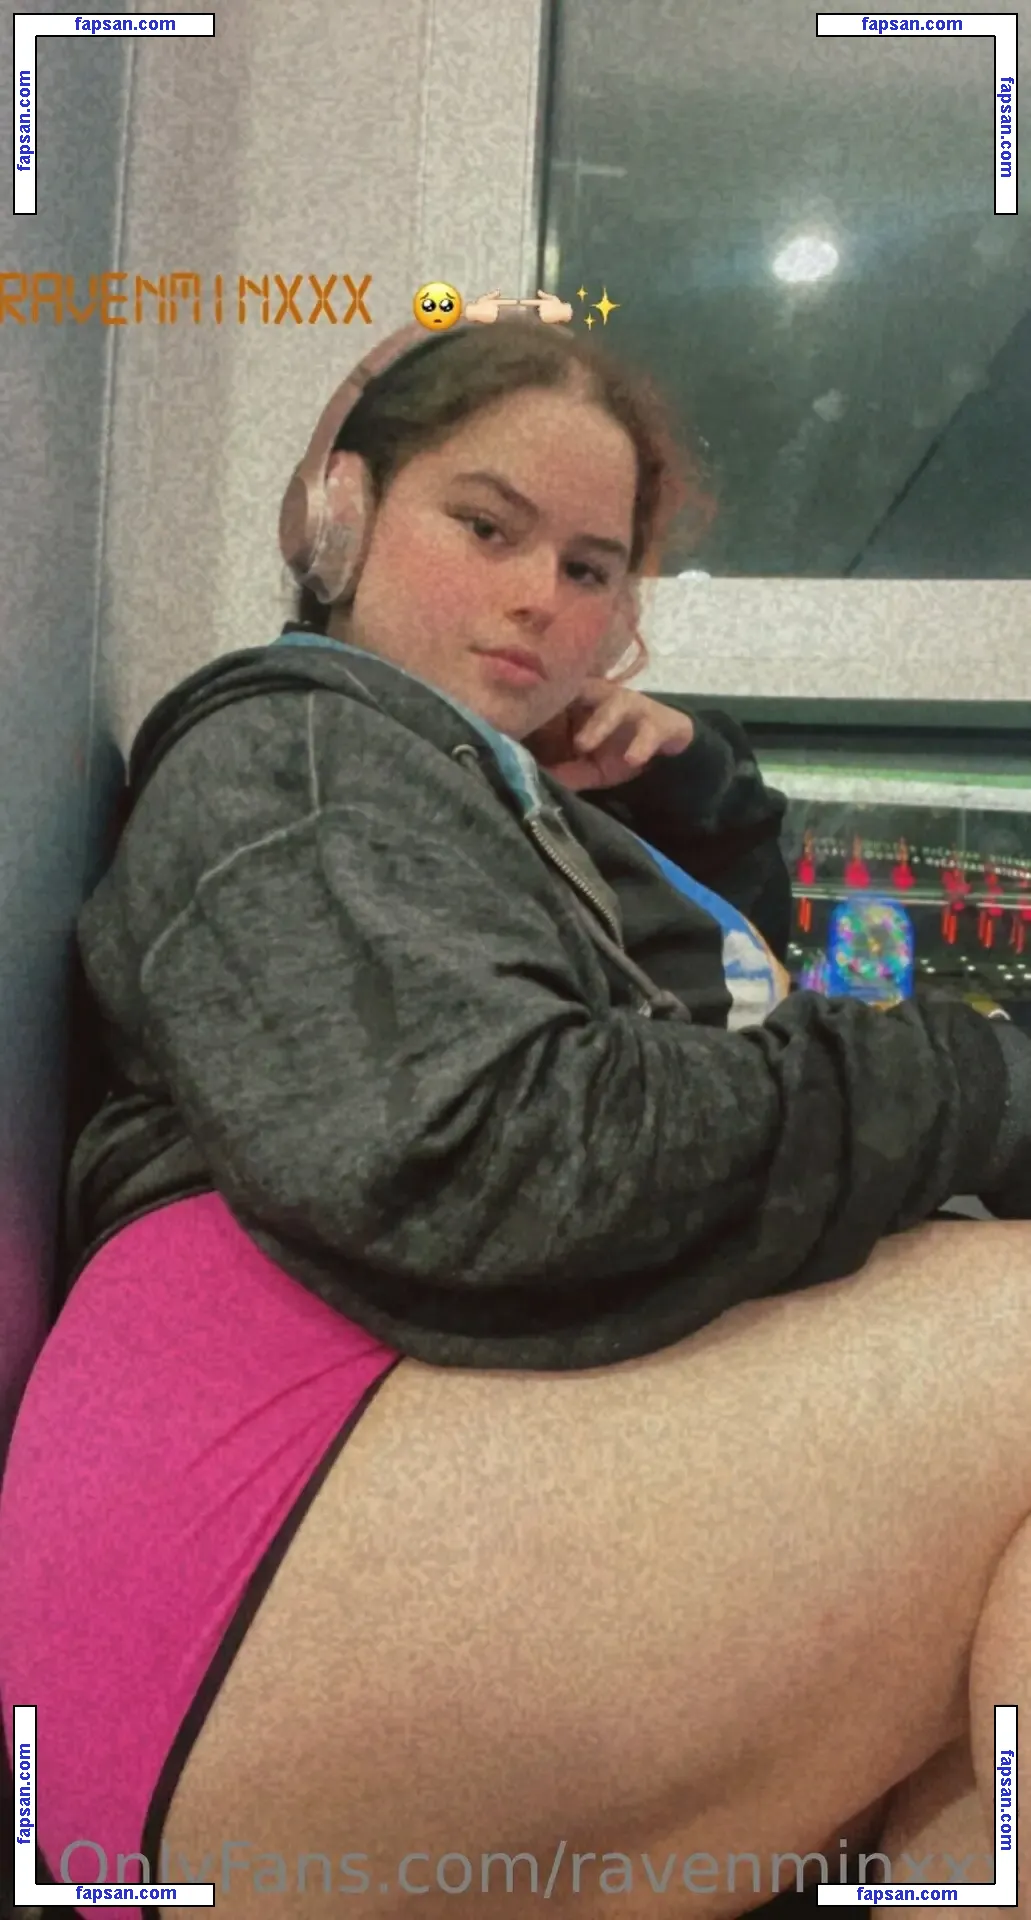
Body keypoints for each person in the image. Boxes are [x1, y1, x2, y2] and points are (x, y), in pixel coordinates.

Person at [2, 311, 1031, 1920]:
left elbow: (714, 1050)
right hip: (228, 1561)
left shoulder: (473, 805)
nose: (540, 596)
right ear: (337, 513)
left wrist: (694, 808)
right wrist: (978, 1085)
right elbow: (500, 1157)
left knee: (974, 1749)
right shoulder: (296, 750)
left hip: (381, 1526)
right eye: (484, 527)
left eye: (589, 567)